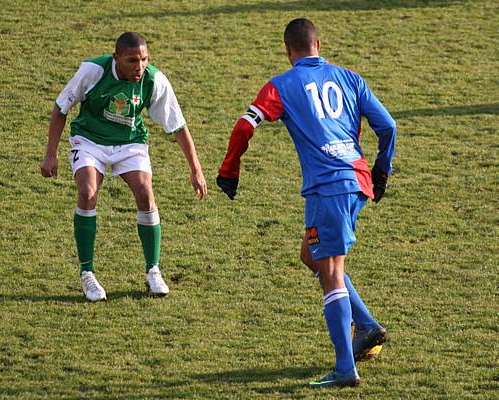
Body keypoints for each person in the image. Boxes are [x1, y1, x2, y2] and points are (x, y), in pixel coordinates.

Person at [216, 18, 396, 388]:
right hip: (357, 182)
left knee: (330, 274)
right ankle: (365, 326)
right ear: (319, 43)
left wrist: (230, 169)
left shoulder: (281, 85)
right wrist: (382, 169)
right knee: (311, 256)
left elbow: (244, 126)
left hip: (327, 188)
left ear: (288, 50)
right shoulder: (351, 78)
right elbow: (388, 126)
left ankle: (345, 369)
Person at [40, 32, 207, 301]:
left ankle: (153, 270)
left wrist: (196, 170)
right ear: (116, 58)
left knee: (145, 192)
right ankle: (87, 274)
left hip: (130, 143)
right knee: (87, 192)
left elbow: (178, 126)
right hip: (90, 140)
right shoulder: (93, 70)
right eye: (132, 60)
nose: (139, 66)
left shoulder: (153, 79)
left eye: (144, 59)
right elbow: (61, 108)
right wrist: (50, 155)